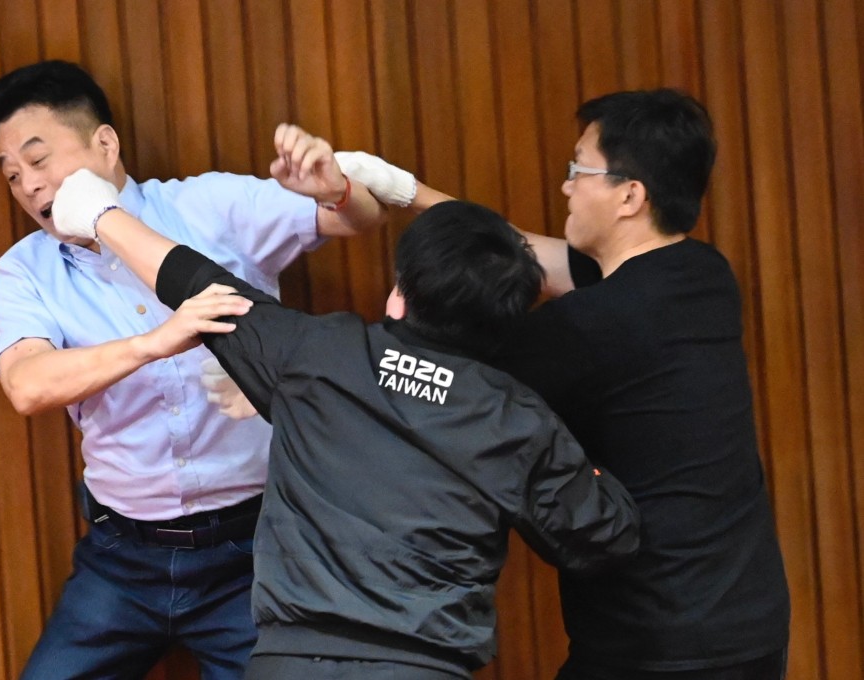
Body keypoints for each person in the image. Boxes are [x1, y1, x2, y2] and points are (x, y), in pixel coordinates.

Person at [49, 168, 641, 680]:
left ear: (399, 295)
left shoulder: (317, 355)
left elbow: (202, 286)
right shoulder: (517, 420)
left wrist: (103, 215)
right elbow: (607, 536)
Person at [334, 89, 790, 679]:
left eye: (579, 169)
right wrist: (402, 189)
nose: (566, 186)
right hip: (749, 619)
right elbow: (518, 252)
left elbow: (445, 380)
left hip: (662, 640)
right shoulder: (702, 275)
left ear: (630, 195)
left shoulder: (587, 328)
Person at [0, 59, 387, 679]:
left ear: (105, 143)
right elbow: (27, 386)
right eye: (12, 176)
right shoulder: (22, 270)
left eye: (39, 161)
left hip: (253, 546)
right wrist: (154, 342)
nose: (30, 186)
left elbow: (355, 219)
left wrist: (335, 189)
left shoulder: (210, 206)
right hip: (123, 557)